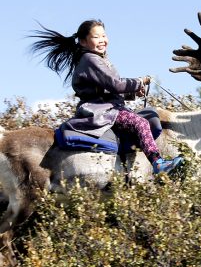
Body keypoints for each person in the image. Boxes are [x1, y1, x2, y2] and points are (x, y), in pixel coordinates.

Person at [29, 19, 183, 175]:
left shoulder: (97, 59)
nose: (102, 40)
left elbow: (108, 90)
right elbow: (115, 84)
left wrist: (132, 93)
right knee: (141, 123)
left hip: (109, 107)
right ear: (83, 42)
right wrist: (139, 82)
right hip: (101, 111)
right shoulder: (90, 59)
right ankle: (158, 162)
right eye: (96, 37)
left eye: (104, 35)